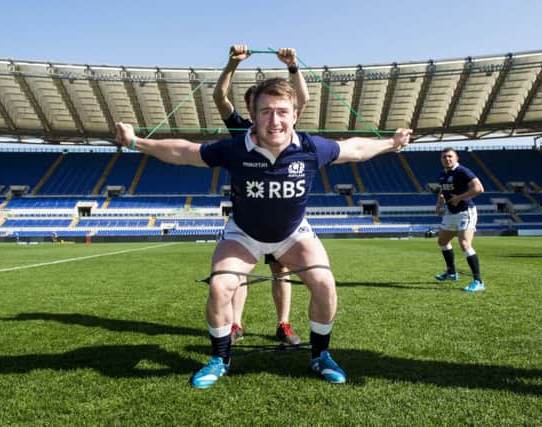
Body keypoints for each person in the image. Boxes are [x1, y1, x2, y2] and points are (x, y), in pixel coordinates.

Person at [115, 77, 412, 389]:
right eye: (266, 111)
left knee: (325, 283)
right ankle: (220, 358)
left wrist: (392, 143)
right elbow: (185, 152)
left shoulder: (311, 148)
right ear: (253, 115)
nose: (275, 120)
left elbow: (357, 148)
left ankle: (320, 355)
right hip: (244, 233)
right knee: (220, 287)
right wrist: (136, 142)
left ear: (295, 115)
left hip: (293, 233)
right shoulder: (235, 149)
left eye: (282, 111)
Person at [213, 45, 310, 345]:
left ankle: (283, 324)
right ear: (251, 109)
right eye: (257, 107)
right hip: (248, 215)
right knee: (238, 272)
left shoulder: (282, 128)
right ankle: (236, 324)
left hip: (281, 216)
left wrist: (293, 67)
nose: (268, 117)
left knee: (281, 271)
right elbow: (219, 97)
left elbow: (302, 100)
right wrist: (231, 64)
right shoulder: (239, 129)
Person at [434, 148, 485, 292]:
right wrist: (439, 203)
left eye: (450, 156)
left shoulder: (462, 171)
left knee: (464, 243)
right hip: (451, 212)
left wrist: (459, 198)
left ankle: (478, 281)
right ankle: (451, 273)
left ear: (457, 158)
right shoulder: (442, 175)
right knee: (442, 242)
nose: (447, 159)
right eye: (444, 157)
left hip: (465, 211)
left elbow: (479, 188)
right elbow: (443, 191)